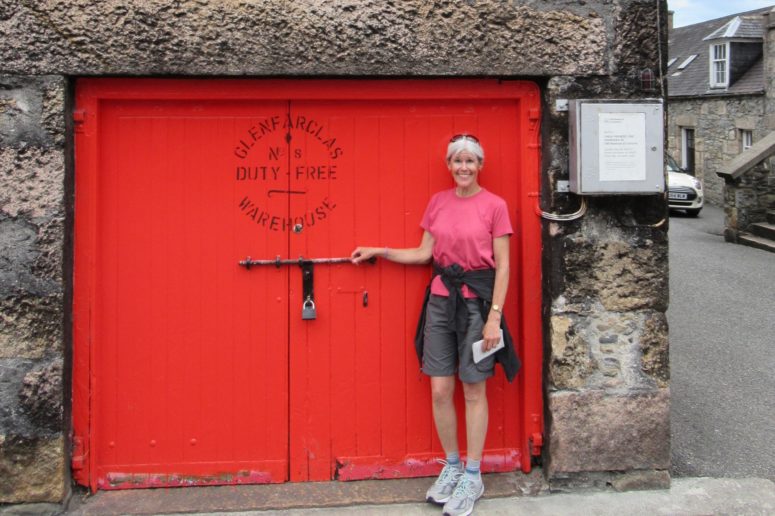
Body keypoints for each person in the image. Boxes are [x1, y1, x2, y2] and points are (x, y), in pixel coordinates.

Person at [351, 134, 519, 516]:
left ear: (480, 165)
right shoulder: (438, 203)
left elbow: (503, 265)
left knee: (474, 389)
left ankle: (473, 476)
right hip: (441, 302)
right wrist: (382, 251)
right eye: (457, 161)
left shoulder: (495, 206)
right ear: (449, 165)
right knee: (441, 388)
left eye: (470, 161)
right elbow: (425, 253)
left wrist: (494, 316)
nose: (463, 167)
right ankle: (453, 467)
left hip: (477, 305)